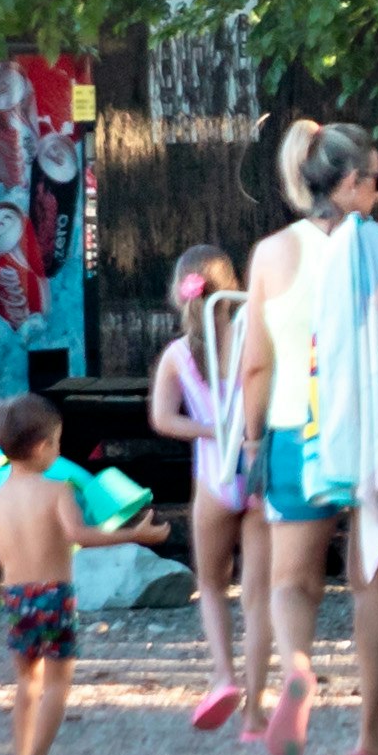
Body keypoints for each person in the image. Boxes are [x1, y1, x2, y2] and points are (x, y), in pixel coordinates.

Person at [227, 119, 378, 755]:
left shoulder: (271, 254)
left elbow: (255, 363)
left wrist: (248, 437)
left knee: (290, 581)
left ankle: (296, 668)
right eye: (375, 178)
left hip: (299, 430)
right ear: (349, 181)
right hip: (377, 433)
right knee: (373, 583)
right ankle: (370, 734)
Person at [0, 393, 164, 755]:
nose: (59, 452)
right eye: (57, 444)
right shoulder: (58, 490)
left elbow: (1, 550)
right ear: (44, 447)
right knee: (57, 682)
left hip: (15, 597)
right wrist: (135, 533)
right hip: (53, 596)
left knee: (27, 682)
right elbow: (80, 535)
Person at [140, 243, 253, 729]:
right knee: (262, 585)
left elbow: (162, 419)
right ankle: (265, 679)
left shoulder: (178, 355)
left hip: (213, 475)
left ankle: (224, 675)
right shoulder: (255, 338)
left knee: (210, 583)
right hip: (260, 469)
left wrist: (212, 430)